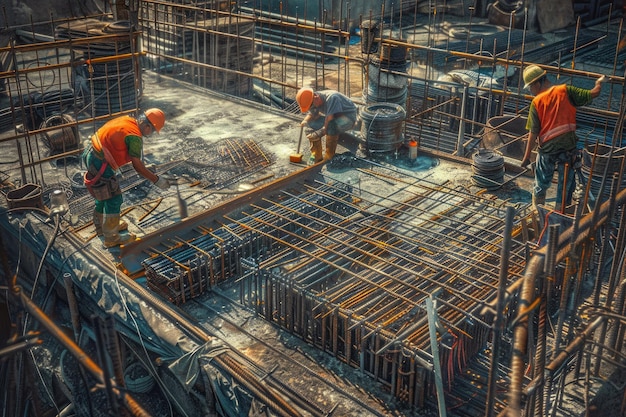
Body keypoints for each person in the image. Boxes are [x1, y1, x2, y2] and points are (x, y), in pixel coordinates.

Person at [520, 65, 606, 212]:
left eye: (530, 87)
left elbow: (533, 133)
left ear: (537, 83)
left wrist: (526, 157)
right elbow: (594, 93)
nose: (530, 91)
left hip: (546, 150)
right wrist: (600, 82)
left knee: (541, 183)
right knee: (565, 186)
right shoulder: (566, 91)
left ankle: (537, 211)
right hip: (568, 150)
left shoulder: (537, 102)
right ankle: (560, 214)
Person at [82, 108, 171, 248]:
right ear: (147, 126)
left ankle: (101, 227)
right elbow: (137, 165)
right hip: (100, 161)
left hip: (90, 153)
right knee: (114, 198)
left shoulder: (127, 121)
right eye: (152, 131)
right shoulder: (135, 136)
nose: (150, 134)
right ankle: (111, 237)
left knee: (102, 195)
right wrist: (156, 179)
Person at [296, 87, 357, 163]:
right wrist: (305, 121)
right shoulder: (313, 100)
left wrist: (320, 132)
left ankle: (329, 156)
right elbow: (312, 114)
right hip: (334, 117)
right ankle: (316, 155)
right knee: (310, 126)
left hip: (348, 118)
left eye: (311, 106)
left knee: (331, 127)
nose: (312, 108)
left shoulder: (332, 98)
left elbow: (329, 119)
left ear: (316, 97)